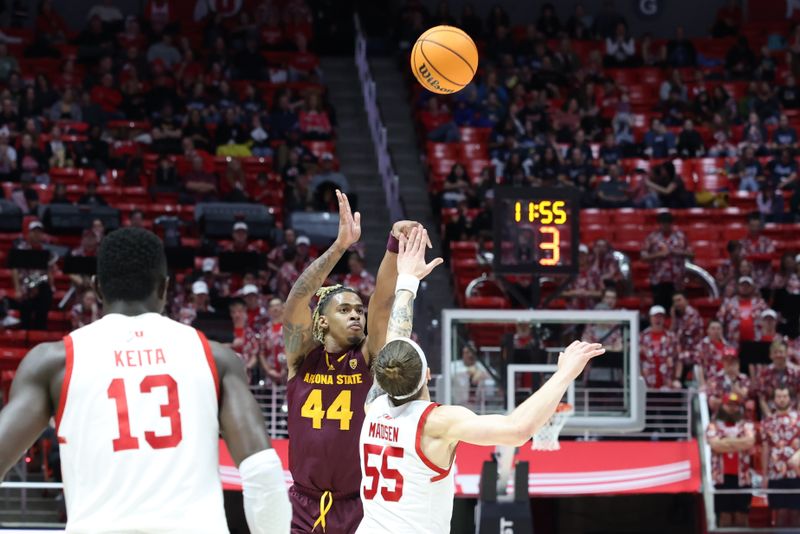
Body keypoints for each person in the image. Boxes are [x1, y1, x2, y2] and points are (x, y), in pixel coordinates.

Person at [0, 228, 290, 533]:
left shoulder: (54, 362)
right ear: (164, 288)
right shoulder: (215, 358)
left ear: (97, 288)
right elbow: (262, 472)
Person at [356, 227, 604, 533]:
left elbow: (395, 344)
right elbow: (517, 430)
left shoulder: (375, 405)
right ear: (428, 375)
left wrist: (407, 281)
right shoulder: (436, 422)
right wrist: (565, 373)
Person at [283, 190, 431, 534]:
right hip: (303, 505)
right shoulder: (302, 359)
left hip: (360, 504)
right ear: (321, 321)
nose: (356, 316)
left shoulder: (367, 357)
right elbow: (297, 299)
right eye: (345, 310)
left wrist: (394, 245)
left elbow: (382, 301)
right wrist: (340, 246)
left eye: (357, 311)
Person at [706, 393, 756, 528]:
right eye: (729, 405)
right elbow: (715, 445)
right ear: (722, 406)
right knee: (724, 517)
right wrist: (739, 443)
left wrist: (726, 442)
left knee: (742, 517)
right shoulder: (713, 426)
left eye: (735, 405)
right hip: (721, 478)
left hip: (743, 478)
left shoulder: (747, 425)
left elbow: (750, 442)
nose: (732, 408)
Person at [760, 387, 800, 527]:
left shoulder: (798, 419)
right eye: (778, 396)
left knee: (797, 513)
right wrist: (764, 475)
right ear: (773, 400)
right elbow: (765, 449)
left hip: (796, 474)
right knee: (780, 514)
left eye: (784, 396)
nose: (782, 399)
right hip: (775, 474)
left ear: (790, 399)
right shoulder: (767, 422)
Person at [641, 211, 693, 310]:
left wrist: (678, 252)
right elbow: (643, 257)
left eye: (668, 223)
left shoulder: (680, 237)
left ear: (671, 223)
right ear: (659, 223)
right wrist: (658, 254)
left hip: (677, 279)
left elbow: (691, 254)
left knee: (677, 308)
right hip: (658, 279)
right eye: (663, 223)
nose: (665, 225)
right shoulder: (652, 238)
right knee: (659, 307)